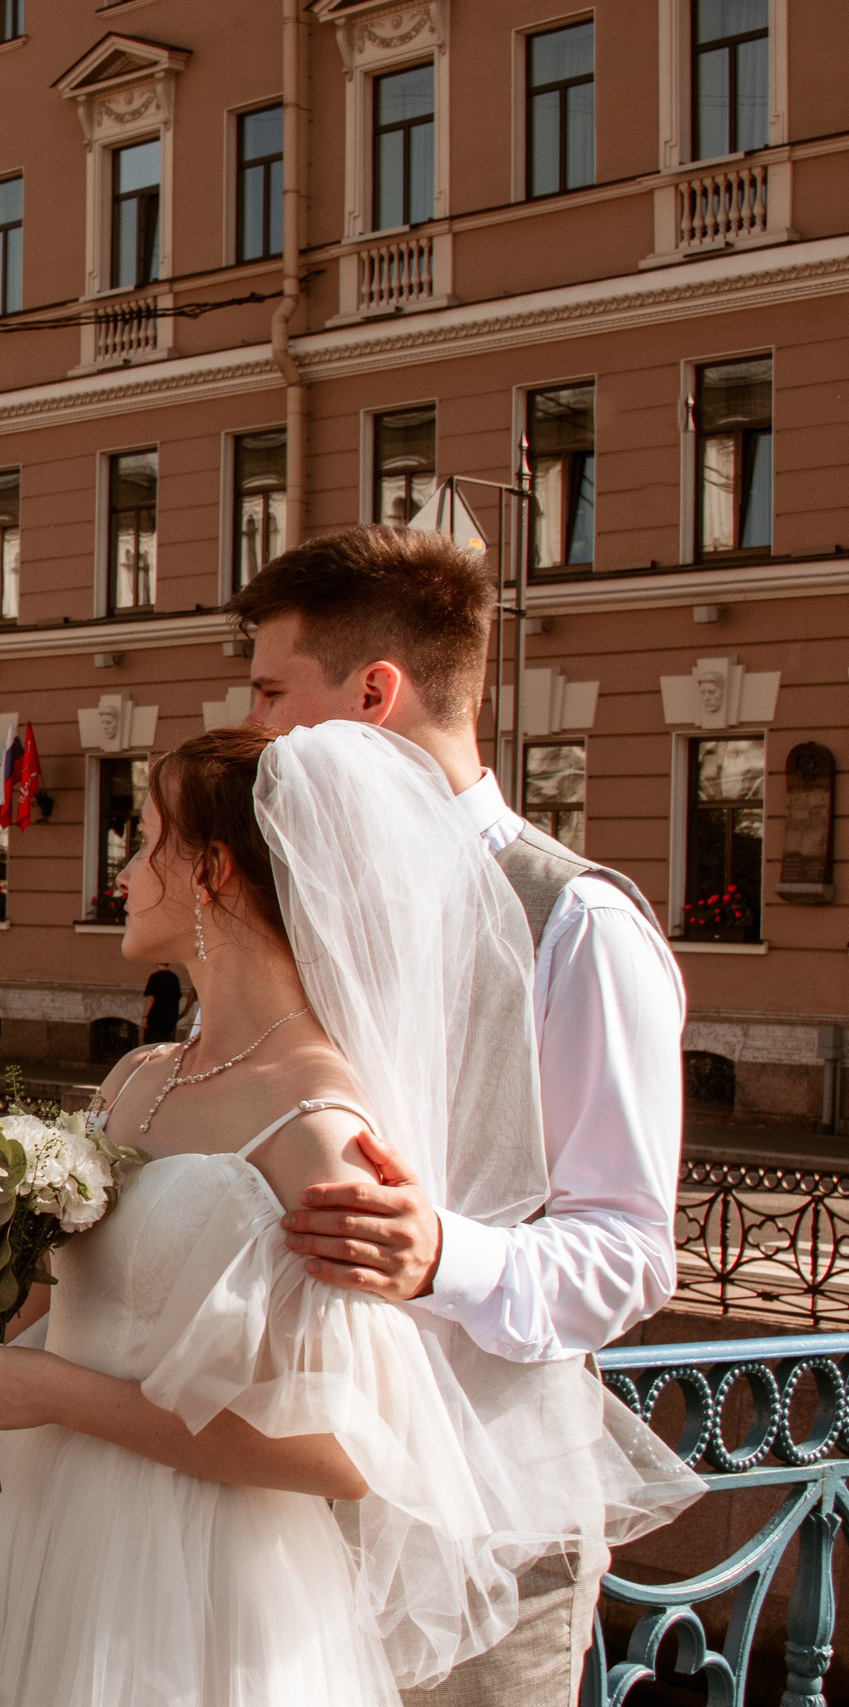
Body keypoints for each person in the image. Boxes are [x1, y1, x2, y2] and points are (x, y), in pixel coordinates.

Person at [0, 723, 695, 1705]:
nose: (125, 872)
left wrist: (55, 1389)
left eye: (144, 841)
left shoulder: (320, 1121)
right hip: (43, 1545)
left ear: (211, 872)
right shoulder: (137, 1081)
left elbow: (348, 1450)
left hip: (204, 1588)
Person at [230, 526, 687, 1702]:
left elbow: (629, 1252)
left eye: (274, 693)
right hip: (282, 1524)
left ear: (372, 694)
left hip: (488, 1536)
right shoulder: (291, 913)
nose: (255, 732)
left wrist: (443, 1254)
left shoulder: (577, 922)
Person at [140, 963, 186, 1043]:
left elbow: (150, 999)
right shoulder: (174, 978)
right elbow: (177, 998)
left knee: (151, 1046)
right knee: (167, 1046)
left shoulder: (155, 977)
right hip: (170, 1019)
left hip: (155, 1019)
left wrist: (145, 1017)